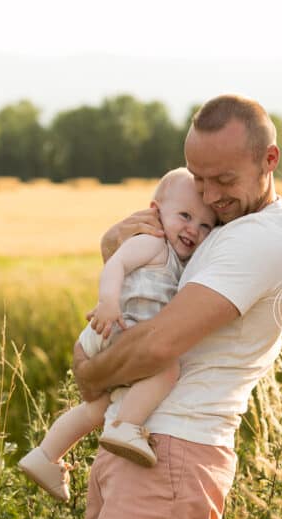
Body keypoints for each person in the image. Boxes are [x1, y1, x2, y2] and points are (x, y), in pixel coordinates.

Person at [72, 95, 282, 519]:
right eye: (199, 178)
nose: (210, 197)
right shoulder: (212, 228)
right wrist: (114, 250)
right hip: (139, 445)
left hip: (171, 454)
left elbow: (160, 342)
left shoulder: (259, 241)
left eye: (224, 179)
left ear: (269, 159)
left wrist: (90, 376)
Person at [18, 169, 217, 501]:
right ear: (156, 212)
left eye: (205, 225)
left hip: (118, 334)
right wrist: (107, 303)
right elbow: (116, 265)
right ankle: (127, 427)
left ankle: (46, 455)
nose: (193, 229)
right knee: (168, 367)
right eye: (185, 215)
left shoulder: (179, 262)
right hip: (114, 325)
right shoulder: (152, 242)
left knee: (97, 410)